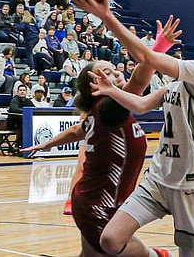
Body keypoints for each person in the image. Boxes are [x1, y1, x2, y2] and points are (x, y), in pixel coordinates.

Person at [72, 0, 194, 257]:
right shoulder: (182, 81)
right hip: (158, 178)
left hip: (191, 183)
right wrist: (112, 91)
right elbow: (141, 105)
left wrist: (107, 17)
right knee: (110, 239)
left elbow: (150, 59)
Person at [22, 61, 148, 256]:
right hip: (98, 206)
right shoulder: (110, 107)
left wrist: (46, 144)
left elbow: (76, 131)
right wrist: (157, 50)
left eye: (115, 69)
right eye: (108, 72)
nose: (117, 72)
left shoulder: (101, 109)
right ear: (95, 85)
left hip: (93, 199)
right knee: (124, 249)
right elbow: (140, 79)